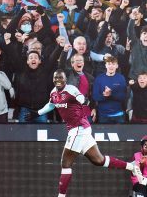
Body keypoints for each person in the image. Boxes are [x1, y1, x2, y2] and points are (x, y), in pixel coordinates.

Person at [27, 69, 145, 197]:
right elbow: (51, 105)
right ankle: (131, 166)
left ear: (65, 80)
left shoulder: (71, 89)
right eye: (56, 78)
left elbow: (81, 97)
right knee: (98, 160)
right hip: (80, 129)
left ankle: (61, 196)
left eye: (60, 78)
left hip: (79, 128)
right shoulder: (53, 93)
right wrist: (37, 113)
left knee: (65, 163)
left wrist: (83, 100)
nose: (58, 80)